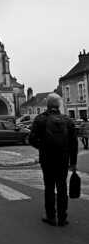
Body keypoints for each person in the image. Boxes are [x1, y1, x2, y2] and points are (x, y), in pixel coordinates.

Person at [29, 93, 78, 227]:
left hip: (47, 159)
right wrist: (73, 162)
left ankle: (51, 216)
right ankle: (62, 217)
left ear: (48, 105)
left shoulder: (40, 119)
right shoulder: (68, 120)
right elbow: (74, 144)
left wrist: (43, 147)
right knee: (62, 187)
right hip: (63, 160)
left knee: (49, 187)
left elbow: (31, 139)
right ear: (59, 105)